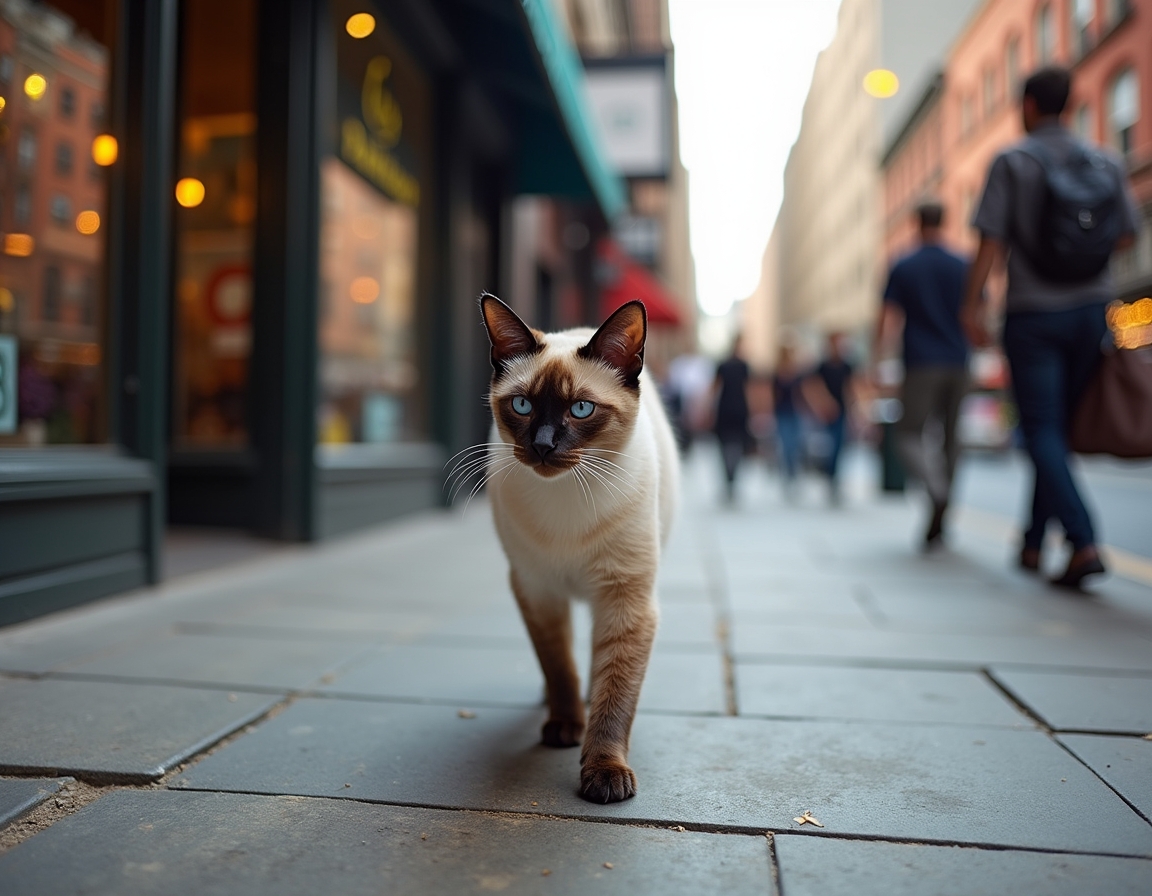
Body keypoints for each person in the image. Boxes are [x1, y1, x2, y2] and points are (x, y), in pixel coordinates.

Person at [962, 66, 1139, 588]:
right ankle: (1034, 541)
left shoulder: (1013, 161)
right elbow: (1127, 235)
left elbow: (990, 242)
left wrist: (970, 305)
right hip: (1093, 310)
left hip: (1033, 314)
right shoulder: (1104, 161)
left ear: (1029, 106)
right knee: (1054, 429)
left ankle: (1083, 541)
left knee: (1040, 428)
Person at [874, 201, 970, 548]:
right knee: (951, 439)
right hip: (959, 360)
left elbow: (885, 317)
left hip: (920, 363)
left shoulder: (904, 265)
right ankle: (941, 514)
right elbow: (979, 312)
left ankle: (936, 490)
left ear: (916, 223)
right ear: (945, 221)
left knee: (908, 435)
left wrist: (877, 359)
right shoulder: (963, 264)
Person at [803, 333, 855, 505]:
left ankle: (835, 480)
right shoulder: (822, 366)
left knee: (840, 448)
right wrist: (822, 405)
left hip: (842, 413)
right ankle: (829, 478)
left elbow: (852, 389)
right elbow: (811, 387)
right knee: (828, 447)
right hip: (825, 414)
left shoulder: (847, 366)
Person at [713, 335, 751, 503]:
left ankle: (731, 478)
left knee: (735, 447)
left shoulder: (745, 367)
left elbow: (750, 389)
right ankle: (729, 478)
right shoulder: (724, 365)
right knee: (727, 447)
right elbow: (715, 387)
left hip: (738, 411)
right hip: (727, 411)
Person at [770, 343, 805, 499]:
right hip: (782, 414)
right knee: (786, 446)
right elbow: (772, 395)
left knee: (795, 446)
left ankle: (794, 475)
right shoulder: (777, 373)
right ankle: (787, 476)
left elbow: (803, 393)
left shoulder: (797, 372)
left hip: (795, 413)